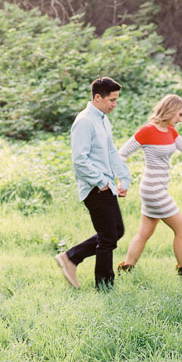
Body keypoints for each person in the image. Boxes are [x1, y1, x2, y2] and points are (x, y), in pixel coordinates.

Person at [55, 77, 131, 290]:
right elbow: (79, 159)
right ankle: (105, 287)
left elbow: (110, 151)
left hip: (106, 184)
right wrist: (100, 182)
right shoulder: (85, 121)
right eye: (111, 100)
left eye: (116, 100)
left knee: (116, 230)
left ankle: (71, 257)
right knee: (108, 236)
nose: (114, 104)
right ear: (97, 97)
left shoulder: (103, 119)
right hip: (94, 187)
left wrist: (124, 177)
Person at [117, 94, 182, 275]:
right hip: (153, 189)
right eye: (179, 115)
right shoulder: (147, 130)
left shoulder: (171, 131)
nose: (180, 120)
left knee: (144, 233)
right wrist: (123, 180)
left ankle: (126, 269)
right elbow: (122, 153)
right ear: (169, 110)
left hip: (157, 188)